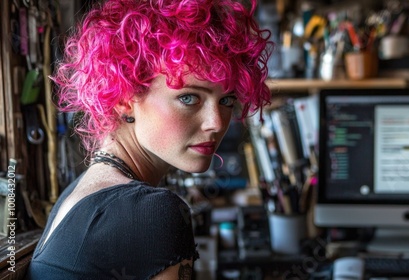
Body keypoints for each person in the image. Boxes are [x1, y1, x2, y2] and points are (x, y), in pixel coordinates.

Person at [26, 0, 272, 278]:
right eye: (188, 98)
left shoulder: (80, 192)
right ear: (123, 98)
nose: (216, 123)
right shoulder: (150, 212)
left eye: (226, 100)